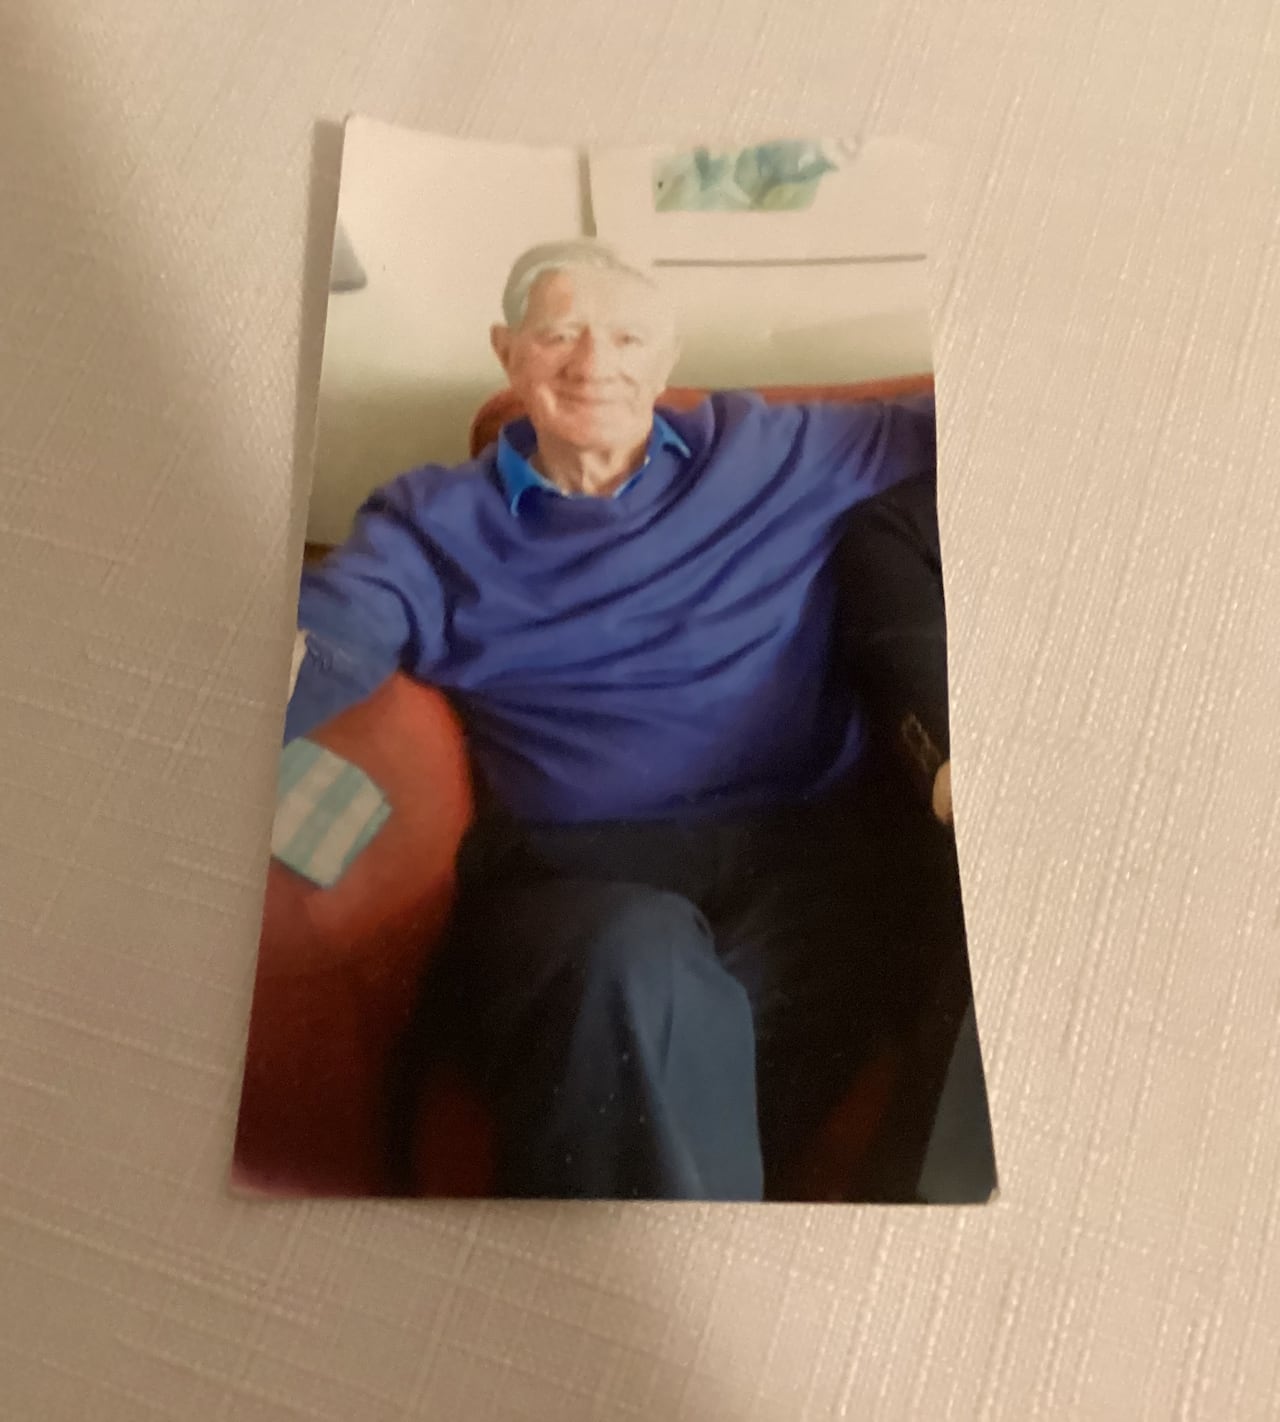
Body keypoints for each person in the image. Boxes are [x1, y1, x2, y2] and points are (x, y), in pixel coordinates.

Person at [285, 238, 977, 1200]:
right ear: (508, 351)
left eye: (627, 336)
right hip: (581, 877)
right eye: (558, 333)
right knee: (631, 971)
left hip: (806, 871)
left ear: (666, 358)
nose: (593, 363)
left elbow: (1010, 420)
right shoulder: (434, 520)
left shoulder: (783, 452)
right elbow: (333, 633)